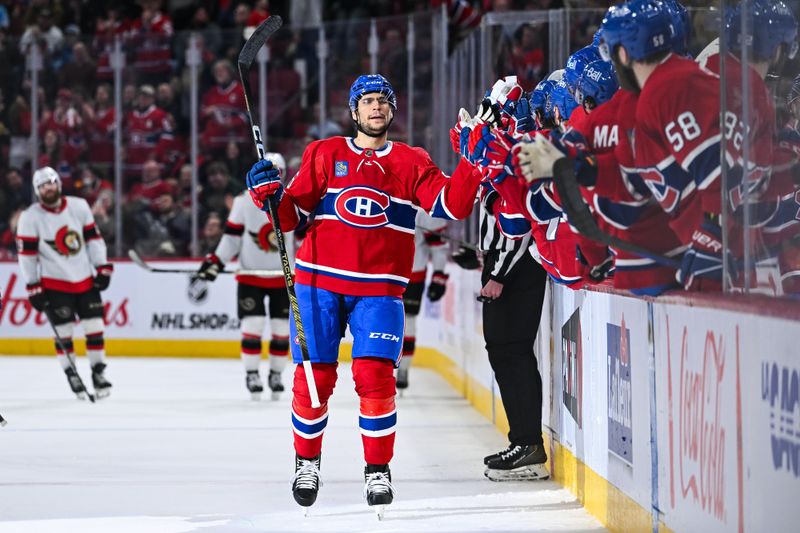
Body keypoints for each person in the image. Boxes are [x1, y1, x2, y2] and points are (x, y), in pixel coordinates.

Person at [245, 74, 482, 513]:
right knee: (313, 381)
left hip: (380, 291)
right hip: (318, 284)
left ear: (393, 111)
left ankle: (377, 470)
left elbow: (453, 204)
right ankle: (307, 462)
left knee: (375, 380)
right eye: (367, 101)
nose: (376, 108)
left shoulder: (412, 161)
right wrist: (269, 195)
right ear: (354, 111)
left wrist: (472, 162)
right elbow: (290, 217)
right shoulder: (325, 153)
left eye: (383, 102)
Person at [195, 153, 294, 400]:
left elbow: (303, 239)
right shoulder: (243, 202)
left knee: (282, 329)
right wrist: (215, 262)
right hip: (250, 276)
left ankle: (275, 374)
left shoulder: (293, 201)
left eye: (277, 173)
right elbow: (231, 238)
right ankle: (252, 373)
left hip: (283, 278)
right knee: (254, 325)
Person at [16, 167, 114, 399]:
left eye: (50, 183)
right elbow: (27, 256)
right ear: (37, 191)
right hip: (54, 283)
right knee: (63, 331)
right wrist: (32, 284)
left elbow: (93, 239)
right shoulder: (30, 217)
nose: (47, 188)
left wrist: (102, 267)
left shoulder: (79, 206)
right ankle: (71, 373)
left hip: (84, 279)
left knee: (95, 327)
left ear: (59, 184)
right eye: (42, 186)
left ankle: (98, 372)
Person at [398, 211, 449, 391]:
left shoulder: (424, 207)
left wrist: (439, 274)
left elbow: (438, 245)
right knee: (382, 323)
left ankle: (403, 368)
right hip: (384, 273)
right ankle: (384, 369)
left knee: (408, 322)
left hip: (413, 274)